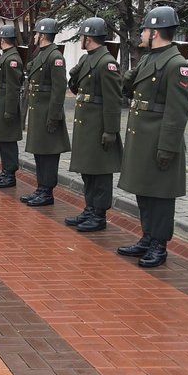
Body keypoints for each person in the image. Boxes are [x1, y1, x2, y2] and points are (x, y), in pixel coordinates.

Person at [117, 6, 188, 268]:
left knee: (160, 196)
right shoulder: (149, 58)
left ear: (156, 32)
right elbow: (130, 92)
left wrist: (168, 148)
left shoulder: (177, 65)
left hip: (160, 140)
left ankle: (159, 245)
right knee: (145, 191)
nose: (141, 33)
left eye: (145, 29)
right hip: (143, 139)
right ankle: (147, 237)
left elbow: (177, 112)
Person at [66, 17, 122, 232]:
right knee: (88, 170)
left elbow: (112, 99)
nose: (80, 39)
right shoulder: (89, 58)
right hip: (86, 124)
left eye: (82, 36)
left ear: (88, 37)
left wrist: (111, 130)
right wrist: (74, 77)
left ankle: (99, 214)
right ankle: (90, 209)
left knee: (100, 172)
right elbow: (78, 91)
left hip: (98, 125)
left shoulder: (106, 62)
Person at [21, 18, 71, 207]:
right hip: (39, 111)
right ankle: (41, 188)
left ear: (42, 35)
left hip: (48, 113)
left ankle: (47, 191)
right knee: (40, 153)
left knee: (48, 155)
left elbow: (59, 90)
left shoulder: (55, 56)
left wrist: (54, 117)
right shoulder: (41, 53)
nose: (34, 36)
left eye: (36, 33)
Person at [0, 25, 23, 188]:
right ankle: (5, 171)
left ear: (2, 40)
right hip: (1, 105)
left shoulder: (12, 59)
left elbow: (13, 87)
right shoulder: (5, 57)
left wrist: (10, 110)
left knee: (8, 141)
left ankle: (10, 174)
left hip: (7, 107)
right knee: (3, 140)